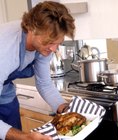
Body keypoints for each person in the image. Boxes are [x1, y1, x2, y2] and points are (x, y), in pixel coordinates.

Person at [0, 1, 75, 140]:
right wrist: (26, 137)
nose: (54, 49)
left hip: (5, 95)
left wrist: (64, 109)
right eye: (50, 42)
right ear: (31, 29)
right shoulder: (4, 50)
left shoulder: (44, 41)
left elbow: (44, 83)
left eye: (58, 43)